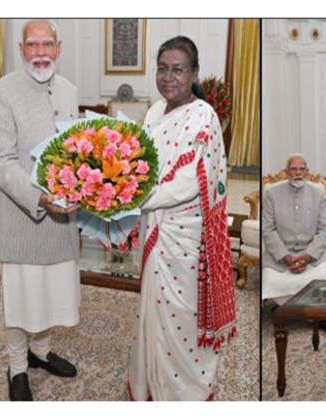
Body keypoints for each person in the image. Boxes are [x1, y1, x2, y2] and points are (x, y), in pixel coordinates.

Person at [127, 36, 236, 401]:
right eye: (162, 68)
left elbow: (190, 180)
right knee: (153, 311)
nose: (168, 77)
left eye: (177, 69)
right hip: (153, 226)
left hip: (184, 236)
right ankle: (152, 387)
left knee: (182, 315)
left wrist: (129, 199)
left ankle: (185, 392)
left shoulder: (203, 115)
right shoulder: (155, 112)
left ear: (193, 74)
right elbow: (139, 164)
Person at [0, 19, 81, 401]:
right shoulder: (0, 93)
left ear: (58, 47)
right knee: (22, 298)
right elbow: (2, 160)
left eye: (47, 44)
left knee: (52, 293)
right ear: (22, 49)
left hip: (61, 220)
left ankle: (41, 353)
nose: (41, 52)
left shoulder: (70, 90)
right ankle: (18, 366)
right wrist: (39, 197)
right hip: (23, 214)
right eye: (32, 44)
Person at [262, 154, 326, 331]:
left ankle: (319, 314)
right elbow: (268, 230)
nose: (298, 172)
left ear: (307, 173)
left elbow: (325, 230)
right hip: (281, 254)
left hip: (312, 254)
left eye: (302, 169)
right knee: (271, 279)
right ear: (287, 172)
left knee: (323, 276)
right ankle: (286, 310)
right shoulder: (272, 194)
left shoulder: (318, 193)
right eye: (293, 169)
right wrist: (285, 257)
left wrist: (307, 257)